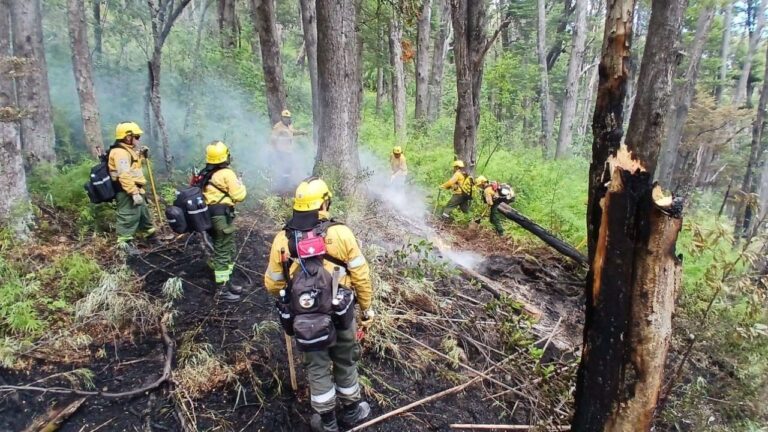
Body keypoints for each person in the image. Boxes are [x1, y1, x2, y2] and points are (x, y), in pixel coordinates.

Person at [264, 177, 373, 432]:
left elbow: (272, 284)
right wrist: (367, 310)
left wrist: (296, 297)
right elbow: (361, 276)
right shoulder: (340, 233)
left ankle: (327, 423)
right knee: (345, 360)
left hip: (305, 320)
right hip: (341, 314)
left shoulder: (283, 239)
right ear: (325, 203)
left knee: (317, 367)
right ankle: (352, 412)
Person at [201, 141, 247, 302]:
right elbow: (239, 196)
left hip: (209, 217)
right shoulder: (227, 174)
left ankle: (228, 284)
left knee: (227, 249)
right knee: (223, 251)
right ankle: (221, 291)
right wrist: (241, 185)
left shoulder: (206, 173)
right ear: (225, 156)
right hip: (221, 218)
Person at [108, 121, 155, 254]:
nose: (138, 140)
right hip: (126, 191)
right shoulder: (120, 153)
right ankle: (124, 245)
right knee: (128, 216)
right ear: (127, 137)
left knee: (144, 215)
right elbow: (124, 174)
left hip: (136, 188)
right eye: (137, 137)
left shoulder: (128, 150)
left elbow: (134, 166)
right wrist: (133, 193)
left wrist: (141, 155)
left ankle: (151, 237)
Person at [270, 109, 308, 193]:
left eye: (287, 117)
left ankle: (285, 184)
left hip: (288, 151)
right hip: (281, 151)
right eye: (284, 117)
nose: (286, 119)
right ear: (281, 118)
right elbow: (273, 139)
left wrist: (301, 132)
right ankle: (282, 186)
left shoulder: (289, 125)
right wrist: (275, 150)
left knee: (288, 168)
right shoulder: (278, 127)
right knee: (285, 168)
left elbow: (292, 132)